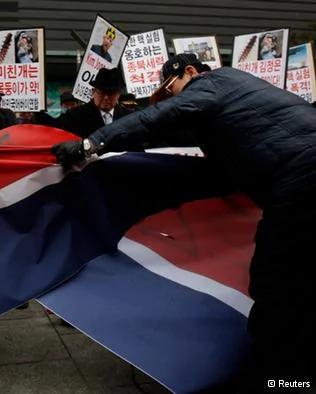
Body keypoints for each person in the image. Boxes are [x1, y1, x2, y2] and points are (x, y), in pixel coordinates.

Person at [52, 53, 316, 391]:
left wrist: (92, 144)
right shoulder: (236, 103)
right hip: (299, 182)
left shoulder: (214, 82)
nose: (174, 95)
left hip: (302, 185)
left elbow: (159, 117)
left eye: (171, 86)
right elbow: (226, 170)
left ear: (190, 72)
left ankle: (277, 379)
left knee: (274, 286)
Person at [57, 68, 133, 138]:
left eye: (111, 93)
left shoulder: (130, 117)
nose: (106, 98)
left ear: (118, 94)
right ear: (93, 92)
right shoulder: (75, 116)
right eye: (102, 93)